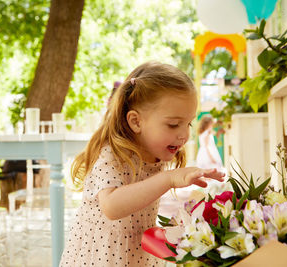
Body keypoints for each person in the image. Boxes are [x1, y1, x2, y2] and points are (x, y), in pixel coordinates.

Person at [59, 61, 225, 266]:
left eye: (188, 123)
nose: (184, 134)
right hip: (101, 257)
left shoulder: (155, 154)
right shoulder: (112, 154)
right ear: (136, 121)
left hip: (137, 255)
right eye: (173, 124)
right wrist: (168, 179)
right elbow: (112, 206)